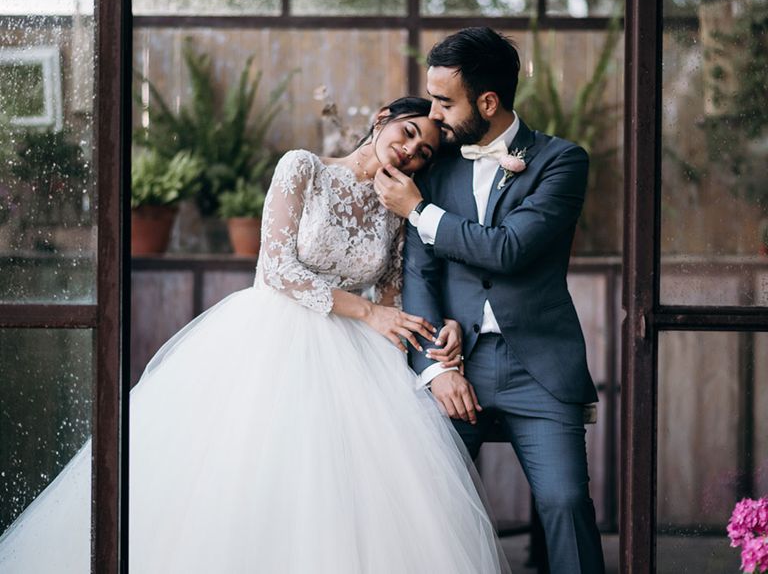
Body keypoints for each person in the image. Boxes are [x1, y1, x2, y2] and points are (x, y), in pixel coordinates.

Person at [0, 97, 510, 574]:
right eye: (408, 133)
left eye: (423, 153)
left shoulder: (395, 207)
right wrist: (367, 313)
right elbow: (277, 269)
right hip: (274, 337)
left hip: (356, 354)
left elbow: (395, 298)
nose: (410, 152)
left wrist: (434, 334)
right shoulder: (304, 168)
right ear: (381, 119)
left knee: (346, 490)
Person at [374, 29, 606, 574]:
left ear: (487, 102)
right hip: (457, 365)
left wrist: (419, 212)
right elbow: (421, 274)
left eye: (444, 101)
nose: (434, 114)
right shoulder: (435, 164)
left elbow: (511, 250)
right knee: (414, 502)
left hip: (539, 370)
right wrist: (435, 370)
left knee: (566, 503)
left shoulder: (561, 161)